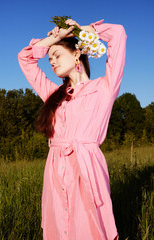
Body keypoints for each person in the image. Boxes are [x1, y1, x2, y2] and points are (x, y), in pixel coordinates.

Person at [18, 18, 127, 240]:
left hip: (87, 167)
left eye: (56, 55)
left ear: (77, 54)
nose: (52, 62)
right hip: (55, 170)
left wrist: (81, 30)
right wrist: (52, 40)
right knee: (59, 224)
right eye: (49, 59)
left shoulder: (104, 88)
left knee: (88, 225)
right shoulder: (53, 95)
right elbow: (25, 59)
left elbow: (118, 33)